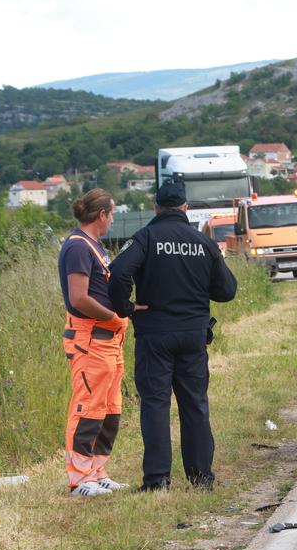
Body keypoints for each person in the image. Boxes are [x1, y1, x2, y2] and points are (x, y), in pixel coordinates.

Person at [108, 181, 238, 491]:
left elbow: (118, 273)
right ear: (185, 208)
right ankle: (201, 478)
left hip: (155, 334)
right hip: (193, 334)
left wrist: (126, 307)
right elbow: (227, 291)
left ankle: (157, 481)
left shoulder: (145, 238)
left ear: (156, 208)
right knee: (195, 404)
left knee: (155, 405)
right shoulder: (203, 243)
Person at [58, 189, 131, 497]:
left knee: (109, 409)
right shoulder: (78, 247)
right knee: (87, 409)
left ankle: (97, 471)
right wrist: (112, 317)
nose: (112, 220)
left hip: (109, 341)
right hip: (91, 339)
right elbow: (79, 298)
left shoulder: (94, 245)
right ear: (101, 214)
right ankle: (79, 479)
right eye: (111, 214)